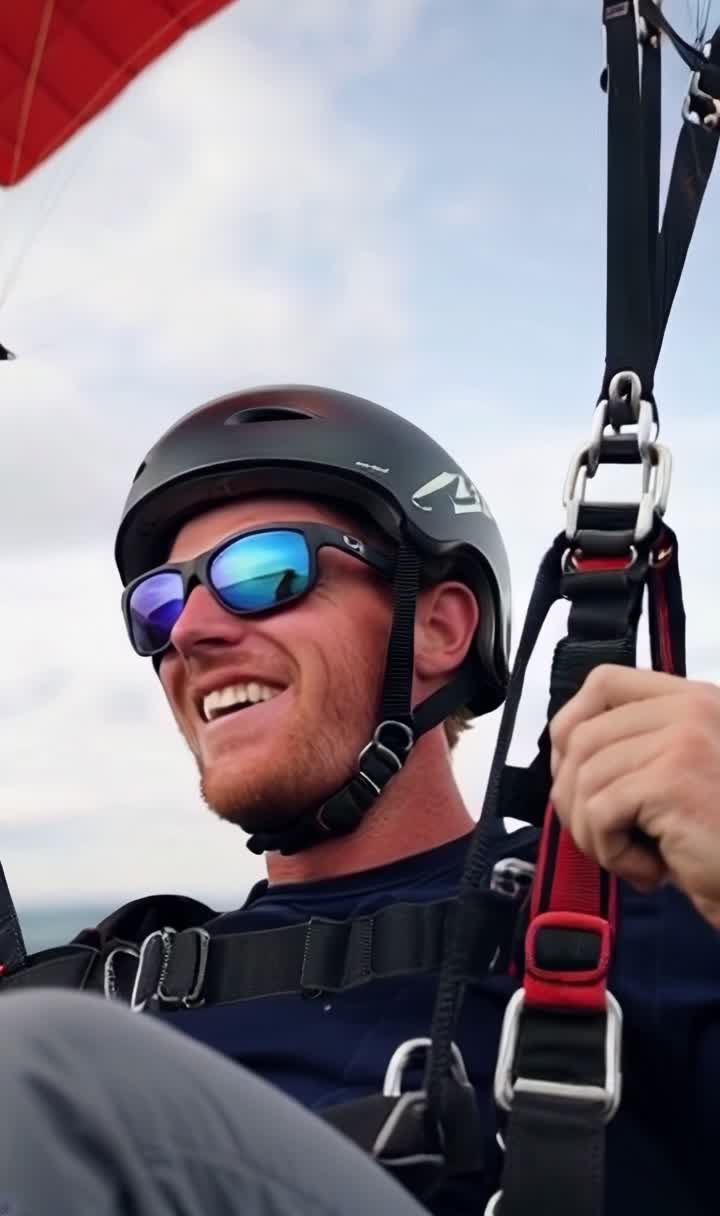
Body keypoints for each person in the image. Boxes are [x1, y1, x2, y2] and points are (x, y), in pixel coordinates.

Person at [1, 384, 720, 1216]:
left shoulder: (637, 905)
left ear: (441, 628)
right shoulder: (116, 985)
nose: (190, 632)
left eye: (263, 571)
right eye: (158, 605)